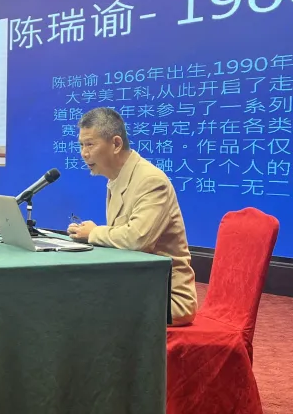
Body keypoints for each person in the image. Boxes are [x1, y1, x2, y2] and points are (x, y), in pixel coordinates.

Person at [68, 107, 197, 325]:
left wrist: (94, 233)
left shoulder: (150, 180)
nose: (84, 153)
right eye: (81, 145)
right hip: (134, 286)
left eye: (90, 144)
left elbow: (137, 239)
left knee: (84, 307)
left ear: (116, 144)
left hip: (166, 297)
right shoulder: (117, 178)